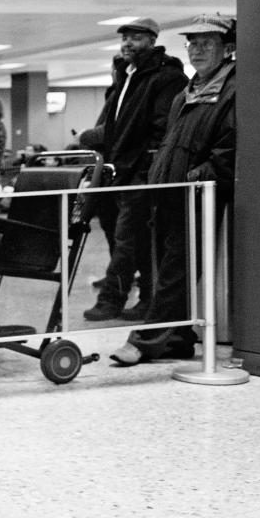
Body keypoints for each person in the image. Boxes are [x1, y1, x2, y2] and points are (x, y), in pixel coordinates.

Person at [111, 14, 237, 366]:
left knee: (174, 271)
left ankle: (145, 340)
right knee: (165, 265)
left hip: (197, 194)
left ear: (227, 50)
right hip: (167, 191)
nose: (196, 50)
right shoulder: (189, 91)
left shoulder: (231, 90)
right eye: (192, 44)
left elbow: (229, 147)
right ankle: (179, 339)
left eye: (206, 44)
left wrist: (201, 175)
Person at [82, 18, 188, 323]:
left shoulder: (165, 77)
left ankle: (111, 300)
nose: (128, 43)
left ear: (152, 41)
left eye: (136, 38)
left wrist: (145, 167)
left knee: (128, 239)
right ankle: (146, 298)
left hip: (141, 172)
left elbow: (160, 128)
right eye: (125, 38)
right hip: (119, 170)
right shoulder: (127, 75)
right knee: (129, 239)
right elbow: (117, 124)